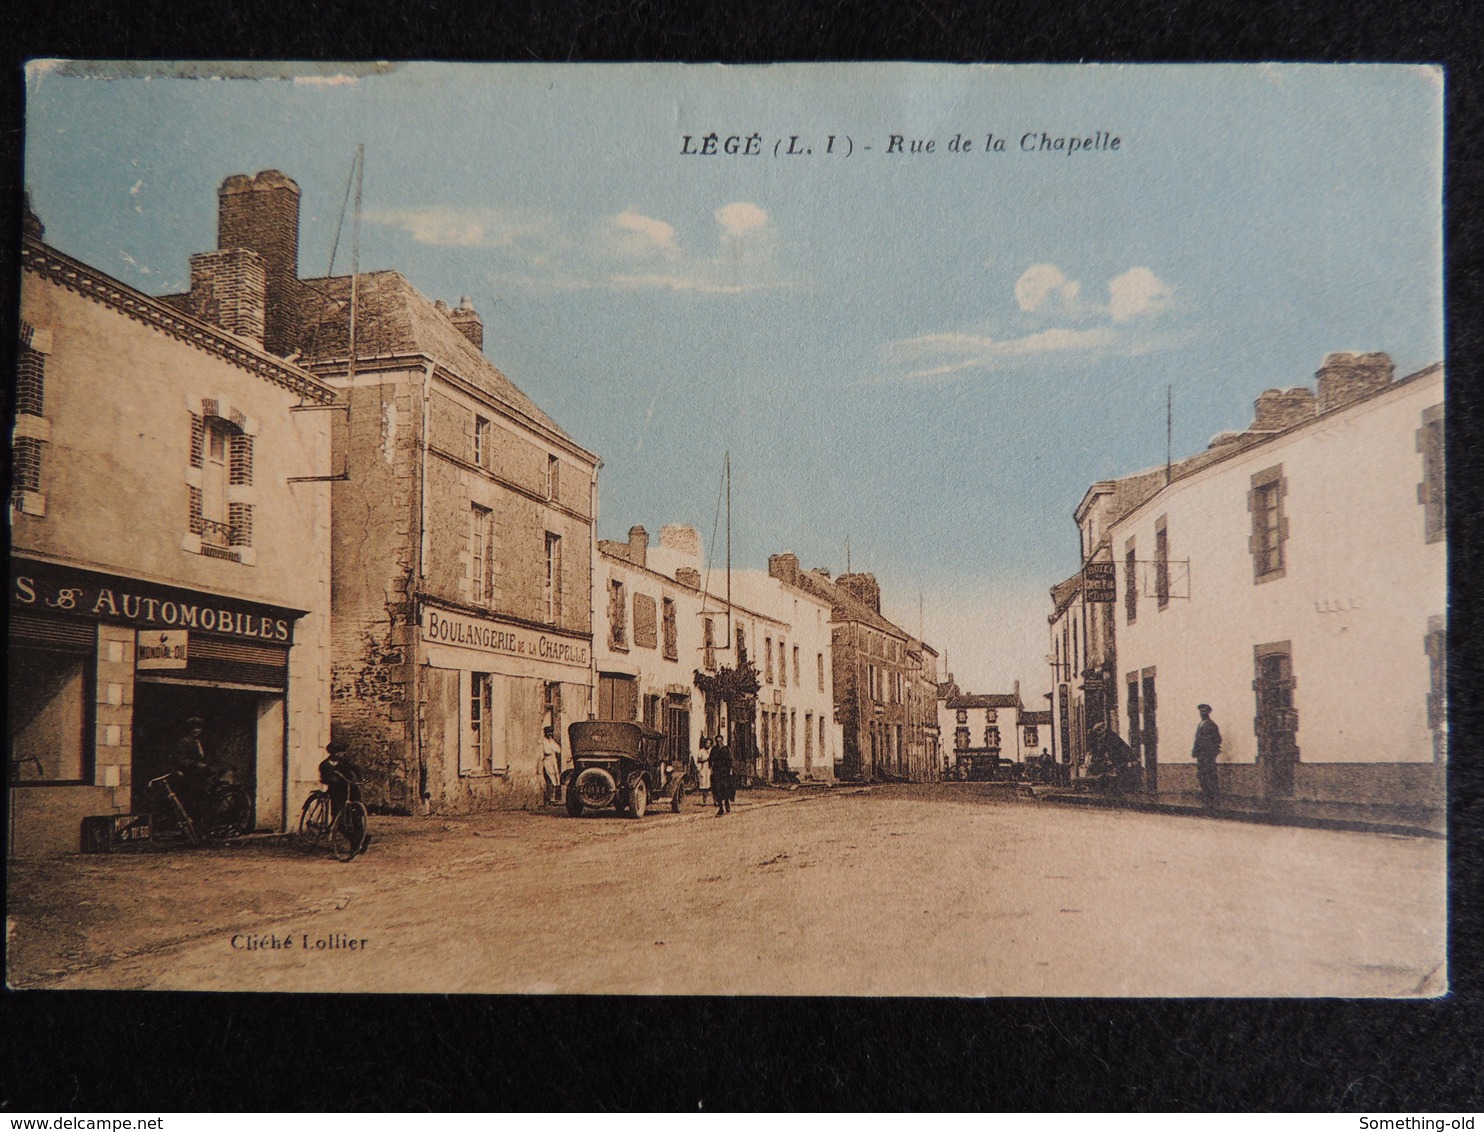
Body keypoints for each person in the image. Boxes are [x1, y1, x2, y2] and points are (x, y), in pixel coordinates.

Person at [172, 716, 213, 829]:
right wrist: (195, 764)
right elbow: (181, 760)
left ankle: (199, 828)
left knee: (201, 801)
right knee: (191, 802)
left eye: (198, 728)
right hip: (189, 777)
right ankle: (188, 828)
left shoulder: (199, 742)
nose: (196, 731)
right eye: (193, 728)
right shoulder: (184, 742)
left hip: (200, 776)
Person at [319, 741, 362, 820]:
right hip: (334, 786)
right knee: (337, 800)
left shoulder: (344, 762)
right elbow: (324, 777)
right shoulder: (325, 764)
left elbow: (354, 768)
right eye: (339, 752)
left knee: (355, 791)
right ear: (333, 753)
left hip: (345, 784)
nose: (342, 754)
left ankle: (356, 814)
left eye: (342, 752)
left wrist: (360, 778)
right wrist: (332, 778)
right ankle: (337, 819)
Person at [1192, 704, 1222, 806]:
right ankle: (1206, 793)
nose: (1202, 714)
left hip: (1208, 754)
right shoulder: (1201, 724)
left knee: (1210, 774)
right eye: (1201, 712)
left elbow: (1218, 739)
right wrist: (1195, 750)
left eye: (1204, 712)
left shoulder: (1212, 725)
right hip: (1201, 754)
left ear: (1208, 713)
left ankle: (1212, 795)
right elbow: (1197, 739)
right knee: (1202, 774)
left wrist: (1211, 750)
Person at [710, 732, 734, 816]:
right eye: (717, 741)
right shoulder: (714, 749)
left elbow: (730, 760)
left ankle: (727, 802)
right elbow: (711, 759)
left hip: (725, 772)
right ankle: (721, 808)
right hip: (717, 771)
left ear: (722, 741)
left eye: (720, 741)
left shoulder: (727, 749)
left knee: (725, 788)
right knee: (717, 789)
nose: (719, 743)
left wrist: (730, 770)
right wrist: (711, 770)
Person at [540, 725, 563, 805]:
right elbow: (545, 751)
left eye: (551, 733)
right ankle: (549, 798)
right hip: (547, 761)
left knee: (556, 777)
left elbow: (558, 749)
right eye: (548, 733)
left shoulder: (551, 741)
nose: (549, 734)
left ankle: (554, 798)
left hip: (553, 760)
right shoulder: (543, 741)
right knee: (549, 779)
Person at [694, 736, 713, 807]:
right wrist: (706, 759)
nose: (707, 745)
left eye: (709, 743)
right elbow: (699, 760)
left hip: (710, 769)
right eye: (706, 743)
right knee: (704, 786)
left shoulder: (712, 750)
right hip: (703, 769)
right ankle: (704, 801)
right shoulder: (701, 751)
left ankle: (716, 801)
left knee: (712, 785)